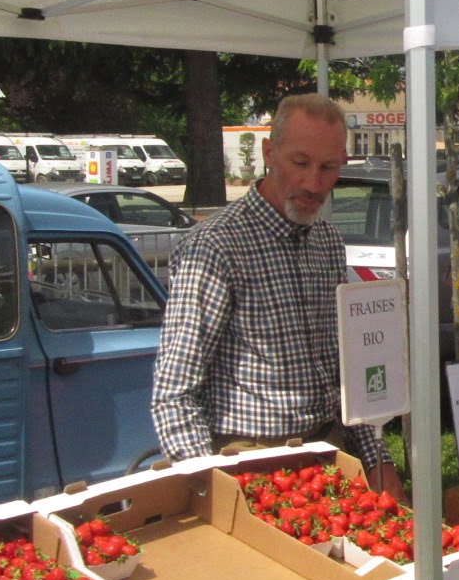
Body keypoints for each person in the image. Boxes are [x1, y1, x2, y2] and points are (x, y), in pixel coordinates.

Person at [149, 93, 393, 484]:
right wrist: (215, 490)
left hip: (328, 454)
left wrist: (378, 460)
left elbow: (344, 374)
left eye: (328, 167)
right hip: (249, 463)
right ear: (268, 152)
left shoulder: (327, 241)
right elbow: (173, 396)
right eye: (300, 163)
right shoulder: (215, 248)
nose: (314, 183)